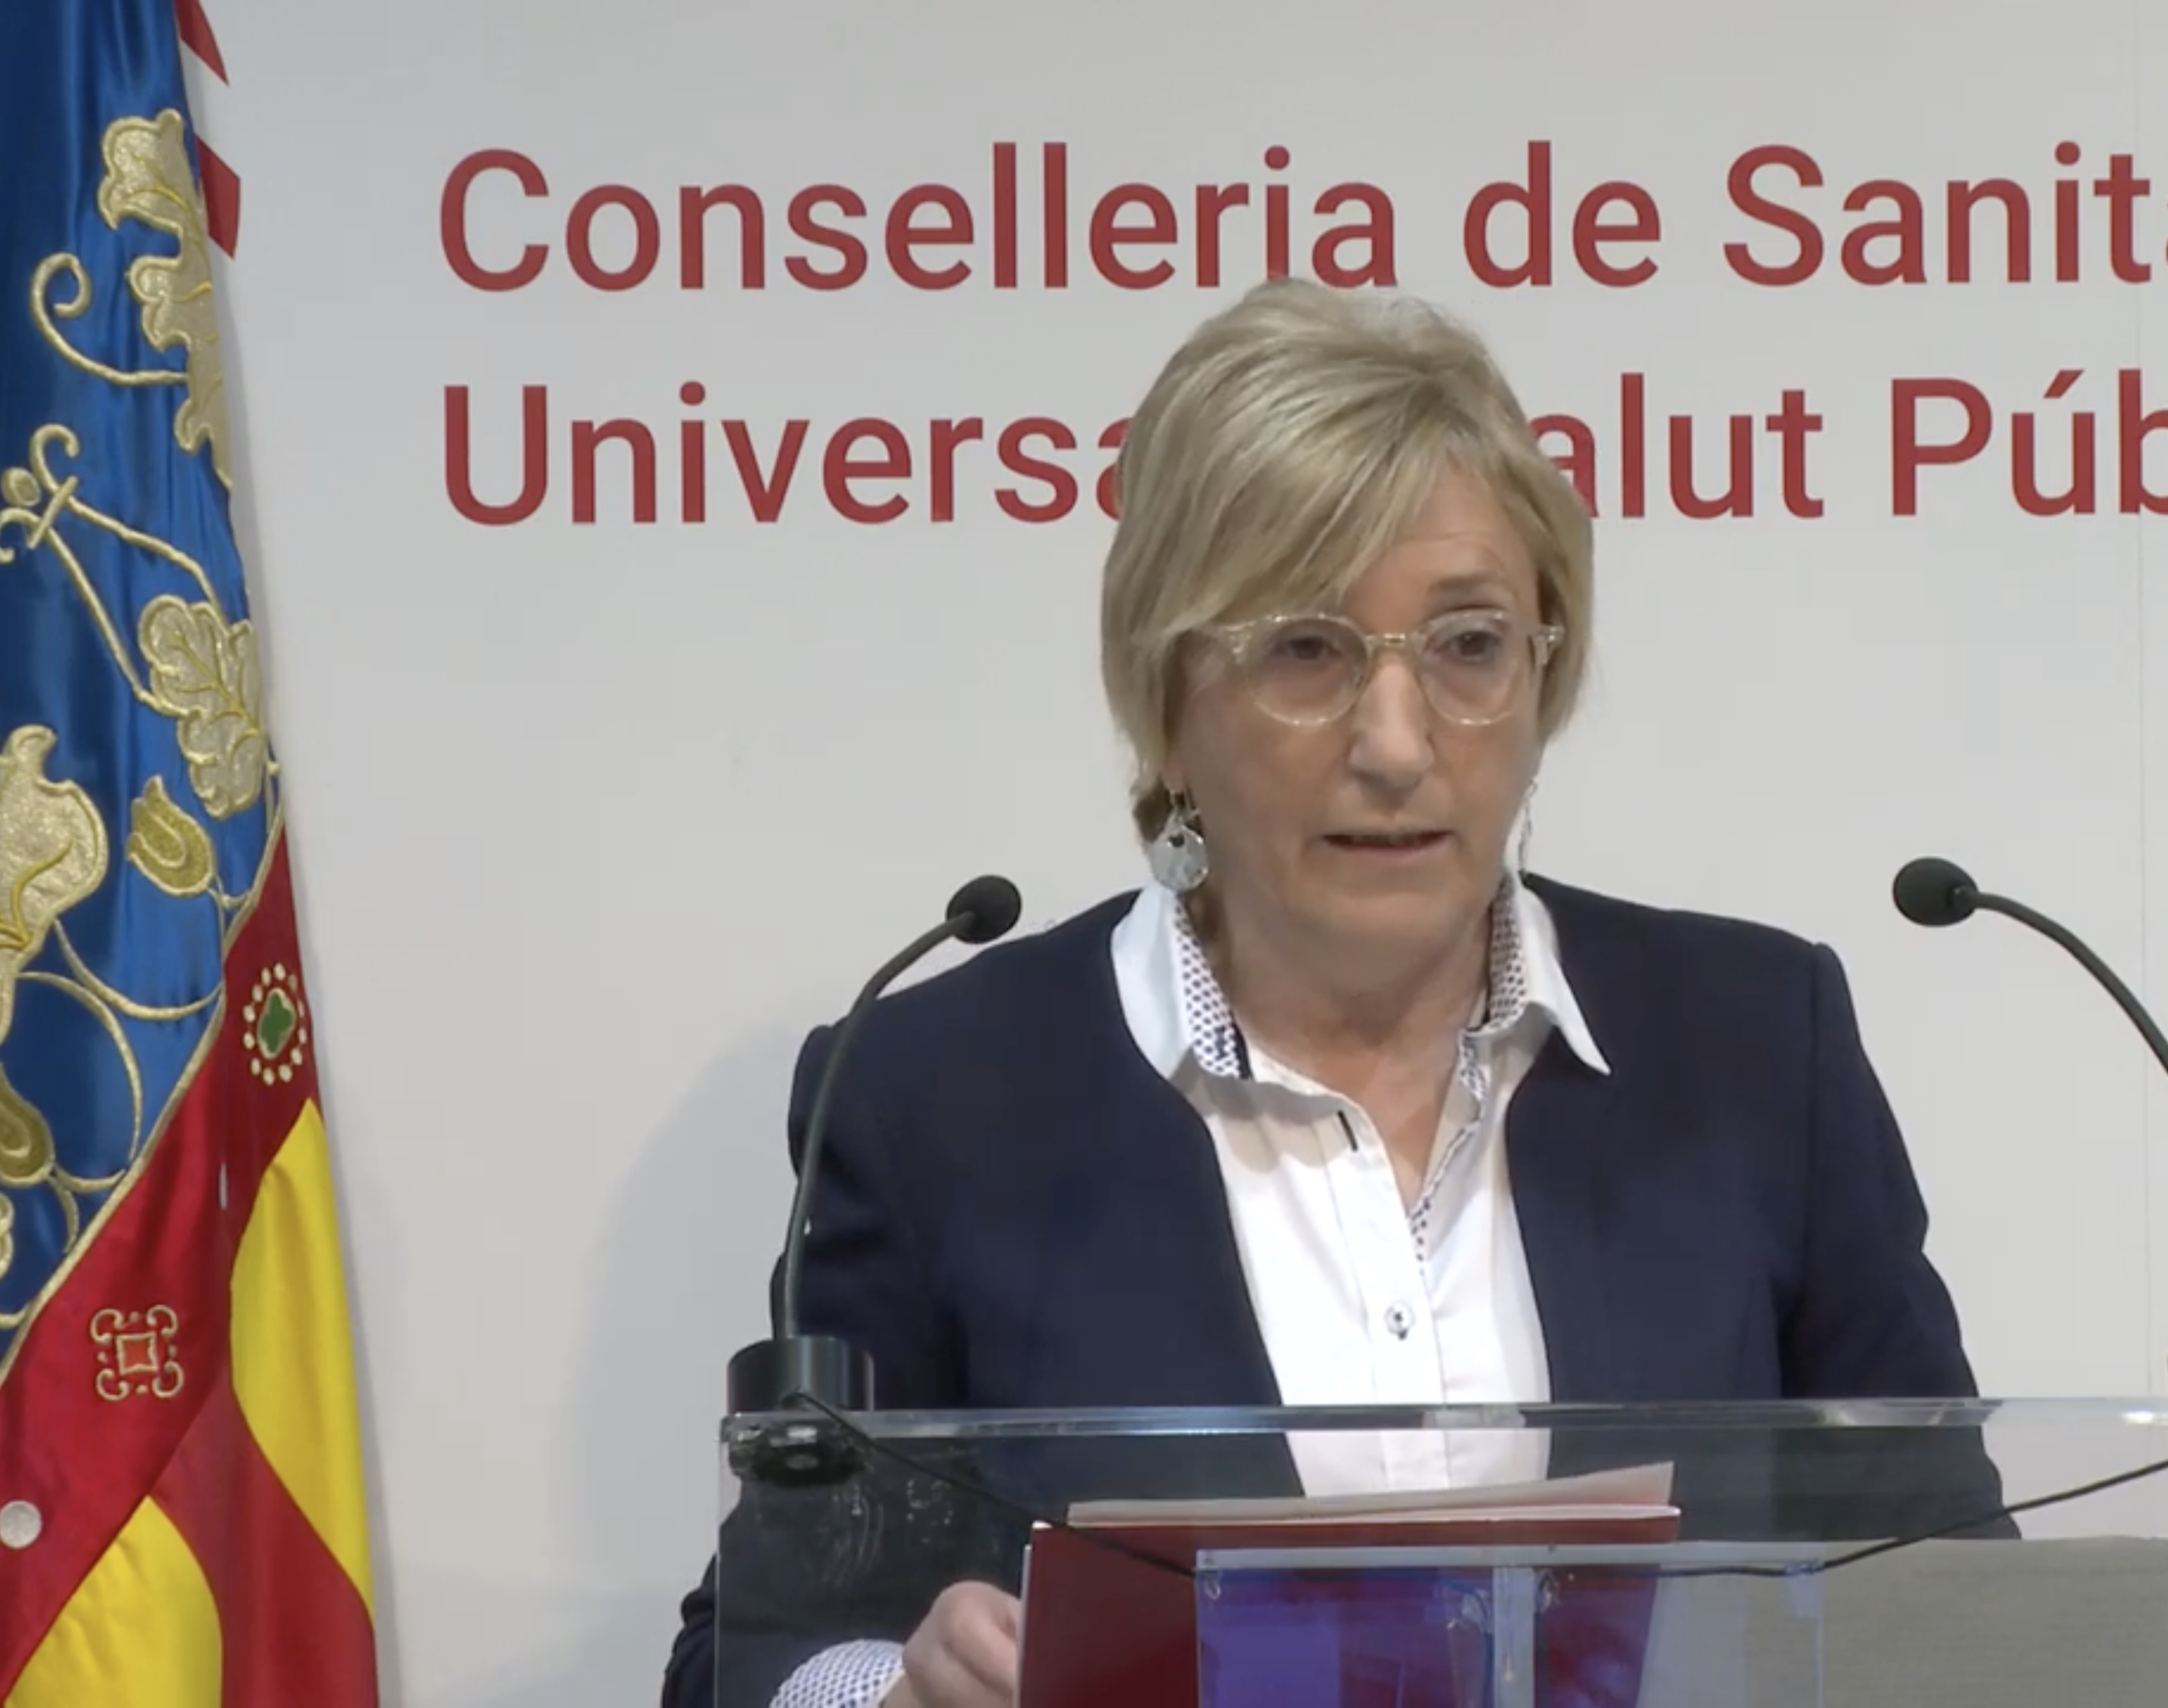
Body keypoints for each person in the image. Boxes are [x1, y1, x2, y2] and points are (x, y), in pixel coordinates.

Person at [661, 278, 1986, 1708]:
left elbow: (1967, 1600)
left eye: (1469, 645)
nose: (1398, 744)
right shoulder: (940, 1098)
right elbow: (749, 1659)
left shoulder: (1753, 1048)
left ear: (1544, 673)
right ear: (1166, 702)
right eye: (1306, 649)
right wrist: (896, 1693)